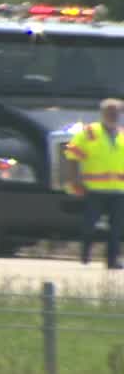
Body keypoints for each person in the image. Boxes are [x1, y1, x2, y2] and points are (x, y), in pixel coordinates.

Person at [64, 98, 124, 269]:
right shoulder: (89, 133)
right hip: (94, 189)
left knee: (116, 228)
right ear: (102, 113)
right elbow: (72, 155)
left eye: (117, 112)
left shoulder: (122, 135)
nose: (114, 115)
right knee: (89, 225)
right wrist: (74, 179)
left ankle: (112, 261)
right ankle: (85, 256)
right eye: (110, 112)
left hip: (119, 191)